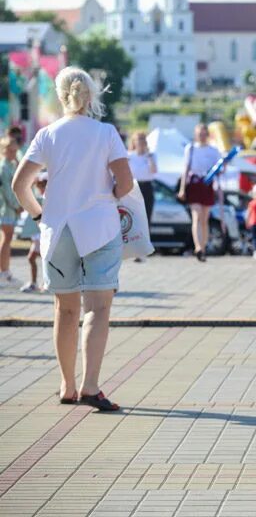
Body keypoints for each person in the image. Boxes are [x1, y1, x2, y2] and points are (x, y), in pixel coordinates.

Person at [12, 66, 134, 411]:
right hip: (98, 228)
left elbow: (19, 186)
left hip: (58, 229)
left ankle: (66, 386)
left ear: (59, 94)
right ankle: (91, 386)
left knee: (65, 310)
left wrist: (38, 215)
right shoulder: (106, 132)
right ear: (91, 94)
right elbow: (125, 182)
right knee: (97, 308)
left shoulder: (47, 135)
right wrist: (107, 195)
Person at [178, 124, 221, 262]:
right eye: (199, 134)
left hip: (207, 184)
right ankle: (198, 247)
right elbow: (185, 169)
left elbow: (219, 169)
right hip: (194, 184)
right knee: (196, 216)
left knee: (204, 218)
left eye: (204, 133)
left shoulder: (213, 150)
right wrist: (182, 188)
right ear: (196, 135)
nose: (202, 136)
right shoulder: (190, 149)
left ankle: (203, 247)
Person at [128, 131, 157, 262]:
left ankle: (144, 249)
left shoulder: (150, 155)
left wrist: (149, 156)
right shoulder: (129, 156)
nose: (140, 143)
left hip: (147, 187)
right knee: (134, 219)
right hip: (134, 187)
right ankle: (135, 250)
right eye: (138, 140)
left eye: (142, 140)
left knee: (146, 218)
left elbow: (153, 171)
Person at [19, 173, 47, 292]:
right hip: (38, 234)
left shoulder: (47, 198)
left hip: (44, 233)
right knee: (34, 258)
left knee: (41, 258)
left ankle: (45, 282)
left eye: (41, 185)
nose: (39, 188)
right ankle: (35, 282)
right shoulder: (40, 197)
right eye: (39, 185)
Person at [0, 135, 21, 288]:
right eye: (11, 150)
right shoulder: (3, 167)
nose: (14, 153)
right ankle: (4, 272)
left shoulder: (11, 165)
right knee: (5, 241)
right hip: (5, 210)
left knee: (7, 241)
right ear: (3, 150)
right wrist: (17, 205)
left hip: (10, 210)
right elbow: (8, 191)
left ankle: (5, 271)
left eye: (15, 150)